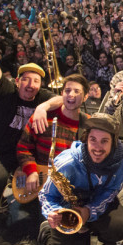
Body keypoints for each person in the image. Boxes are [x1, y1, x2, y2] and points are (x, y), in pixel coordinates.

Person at [0, 15, 59, 215]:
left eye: (36, 81)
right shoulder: (4, 90)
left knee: (34, 188)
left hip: (18, 155)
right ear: (17, 82)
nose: (30, 85)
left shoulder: (41, 97)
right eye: (26, 80)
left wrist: (44, 106)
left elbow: (59, 99)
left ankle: (11, 178)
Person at [38, 113, 123, 245]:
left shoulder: (121, 158)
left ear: (114, 143)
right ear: (86, 138)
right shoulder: (67, 162)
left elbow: (112, 190)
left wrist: (90, 211)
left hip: (93, 205)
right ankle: (46, 233)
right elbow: (46, 195)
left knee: (120, 227)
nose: (97, 147)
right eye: (93, 139)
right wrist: (55, 213)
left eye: (104, 141)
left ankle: (93, 233)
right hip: (68, 210)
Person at [15, 74, 90, 203]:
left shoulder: (88, 125)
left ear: (85, 97)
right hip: (38, 180)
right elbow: (23, 147)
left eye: (77, 91)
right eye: (67, 91)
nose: (71, 94)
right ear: (62, 94)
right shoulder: (42, 117)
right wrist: (31, 171)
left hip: (67, 185)